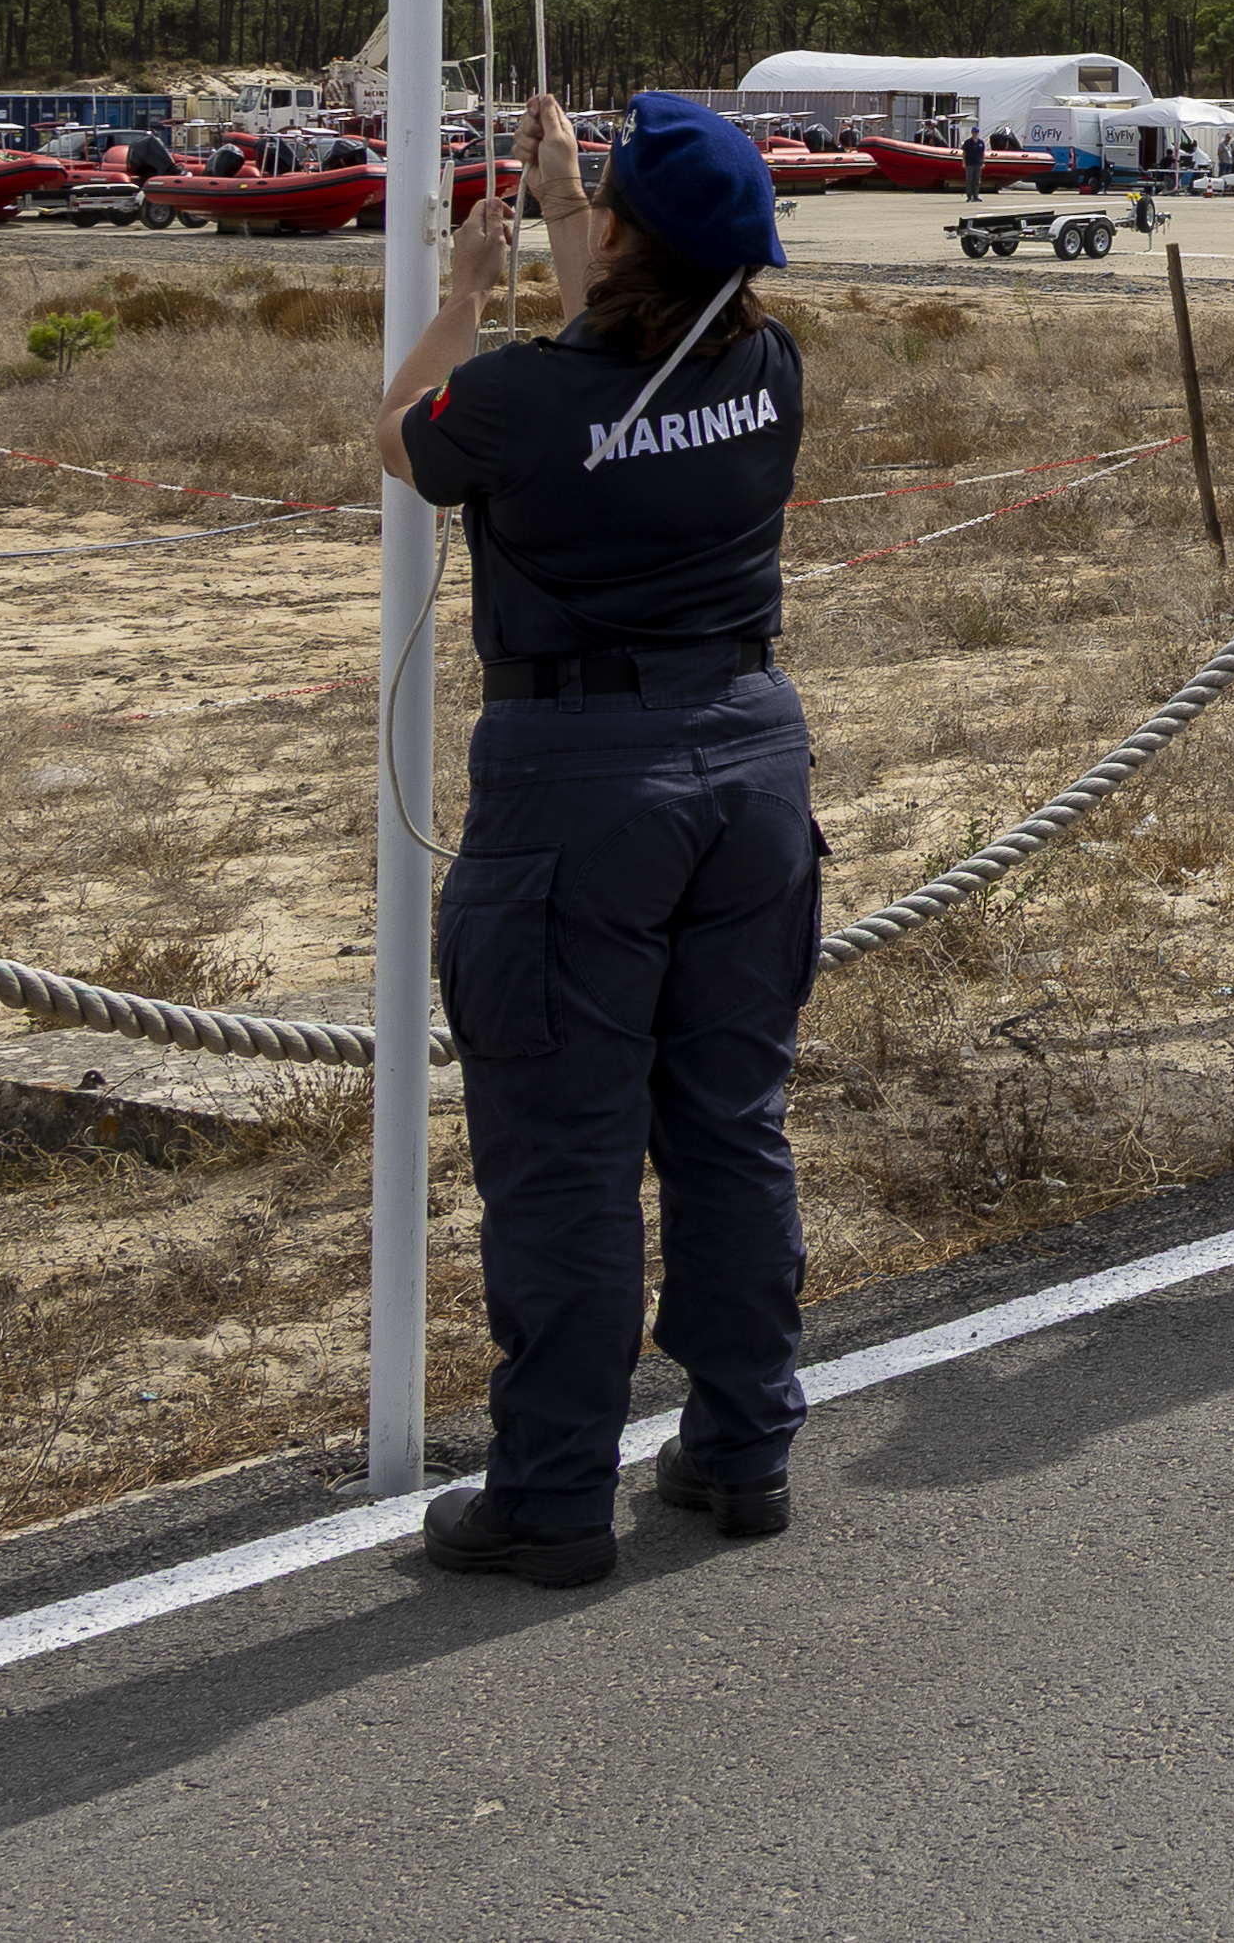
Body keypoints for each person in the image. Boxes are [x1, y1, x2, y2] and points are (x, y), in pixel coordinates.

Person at [386, 91, 820, 1589]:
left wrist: (454, 299)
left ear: (629, 237)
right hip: (748, 763)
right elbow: (620, 356)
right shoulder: (766, 366)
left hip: (580, 781)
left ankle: (556, 1490)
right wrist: (576, 203)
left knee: (566, 1148)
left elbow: (404, 442)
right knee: (726, 1120)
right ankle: (742, 1441)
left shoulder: (514, 399)